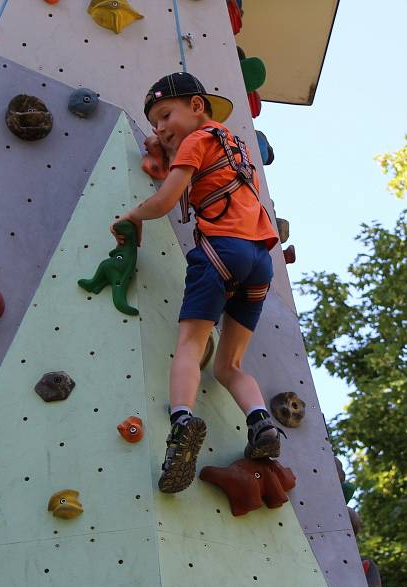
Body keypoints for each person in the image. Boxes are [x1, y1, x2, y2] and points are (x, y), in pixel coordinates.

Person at [111, 72, 283, 494]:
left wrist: (133, 215)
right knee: (229, 365)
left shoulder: (196, 140)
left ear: (197, 107)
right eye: (153, 123)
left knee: (191, 344)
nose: (160, 127)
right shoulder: (234, 145)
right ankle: (261, 424)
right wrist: (164, 149)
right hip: (260, 260)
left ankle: (182, 422)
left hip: (221, 250)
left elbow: (168, 198)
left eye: (165, 115)